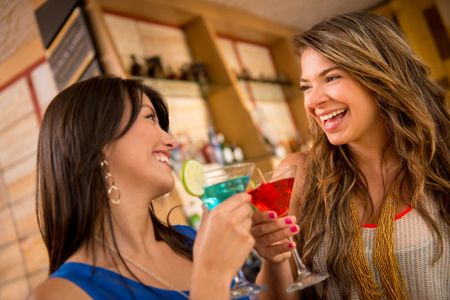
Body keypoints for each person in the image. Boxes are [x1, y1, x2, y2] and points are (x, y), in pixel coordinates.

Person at [251, 11, 450, 299]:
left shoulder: (440, 161)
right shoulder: (298, 173)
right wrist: (273, 257)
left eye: (330, 77)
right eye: (306, 86)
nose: (314, 101)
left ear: (380, 76)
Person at [29, 75, 255, 299]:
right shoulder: (60, 294)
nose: (171, 142)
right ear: (98, 142)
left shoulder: (190, 240)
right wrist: (211, 276)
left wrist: (276, 263)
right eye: (149, 117)